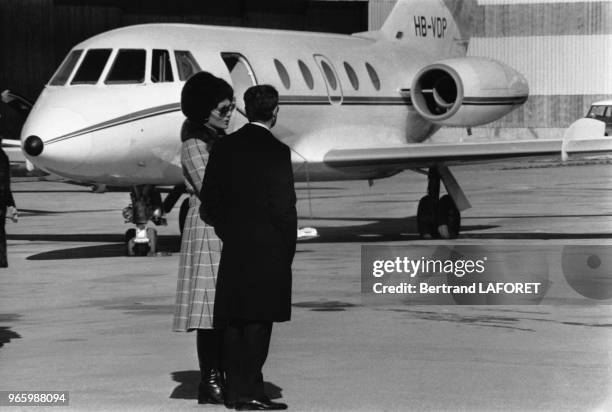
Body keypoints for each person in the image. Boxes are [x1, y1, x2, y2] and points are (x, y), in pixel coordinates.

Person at [200, 85, 296, 411]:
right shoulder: (278, 152)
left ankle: (234, 391)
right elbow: (285, 208)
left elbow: (209, 202)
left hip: (235, 247)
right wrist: (286, 249)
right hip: (268, 249)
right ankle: (251, 391)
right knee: (258, 323)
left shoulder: (224, 147)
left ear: (245, 109)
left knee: (234, 321)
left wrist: (229, 231)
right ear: (275, 111)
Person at [172, 71, 235, 405]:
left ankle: (223, 375)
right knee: (209, 312)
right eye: (223, 108)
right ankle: (210, 380)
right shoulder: (195, 144)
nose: (229, 113)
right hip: (209, 228)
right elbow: (212, 188)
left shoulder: (216, 139)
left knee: (223, 310)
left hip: (223, 228)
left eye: (231, 107)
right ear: (204, 109)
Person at [0, 142, 17, 268]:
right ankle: (2, 261)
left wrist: (11, 205)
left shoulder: (1, 157)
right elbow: (6, 183)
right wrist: (11, 204)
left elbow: (4, 183)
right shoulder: (3, 156)